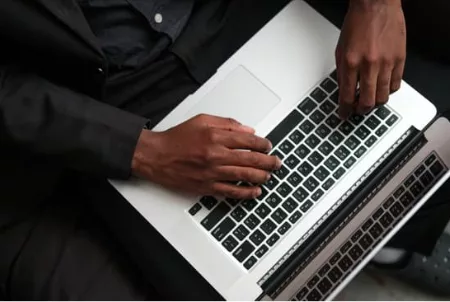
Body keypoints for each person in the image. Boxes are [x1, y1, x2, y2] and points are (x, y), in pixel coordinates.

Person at [0, 0, 449, 300]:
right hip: (104, 94)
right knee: (237, 276)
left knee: (433, 135)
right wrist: (142, 150)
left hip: (232, 11)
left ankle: (392, 244)